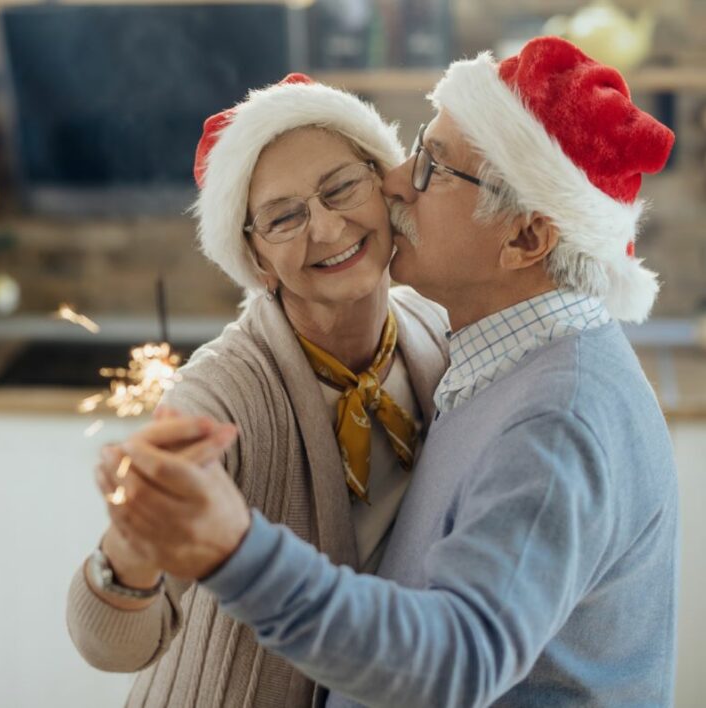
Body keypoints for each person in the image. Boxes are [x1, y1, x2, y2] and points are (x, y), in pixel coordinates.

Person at [100, 37, 679, 707]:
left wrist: (237, 550)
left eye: (433, 165)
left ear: (524, 240)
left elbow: (458, 660)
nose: (397, 180)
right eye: (283, 217)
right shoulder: (487, 357)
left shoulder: (553, 419)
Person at [65, 74, 450, 706]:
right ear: (256, 259)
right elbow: (110, 643)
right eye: (283, 217)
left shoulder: (436, 330)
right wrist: (129, 547)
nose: (325, 229)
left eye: (341, 188)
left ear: (385, 185)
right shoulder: (220, 392)